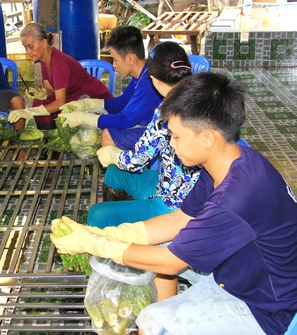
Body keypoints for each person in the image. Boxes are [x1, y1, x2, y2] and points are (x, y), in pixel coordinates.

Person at [51, 72, 297, 335]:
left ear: (208, 138)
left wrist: (94, 243)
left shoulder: (234, 197)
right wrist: (106, 233)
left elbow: (170, 262)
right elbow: (179, 219)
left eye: (176, 136)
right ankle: (170, 308)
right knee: (154, 248)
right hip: (240, 272)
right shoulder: (233, 161)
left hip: (267, 308)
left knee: (150, 321)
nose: (170, 143)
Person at [91, 41, 199, 229]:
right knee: (113, 173)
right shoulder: (201, 95)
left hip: (173, 205)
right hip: (168, 183)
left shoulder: (166, 112)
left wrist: (113, 154)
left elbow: (136, 161)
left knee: (97, 214)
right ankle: (127, 215)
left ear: (155, 80)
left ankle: (127, 236)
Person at [58, 25, 163, 150]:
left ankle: (125, 165)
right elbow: (121, 103)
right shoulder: (140, 75)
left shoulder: (149, 82)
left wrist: (83, 118)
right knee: (110, 126)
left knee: (108, 135)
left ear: (130, 58)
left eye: (115, 59)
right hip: (146, 123)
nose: (113, 65)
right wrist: (87, 103)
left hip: (161, 133)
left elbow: (126, 120)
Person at [7, 22, 113, 130]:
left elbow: (59, 102)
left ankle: (52, 130)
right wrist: (42, 93)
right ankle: (47, 132)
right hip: (73, 97)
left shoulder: (58, 63)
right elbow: (50, 90)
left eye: (30, 47)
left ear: (43, 42)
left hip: (93, 98)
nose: (28, 52)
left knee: (42, 108)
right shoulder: (44, 61)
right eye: (25, 48)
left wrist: (27, 112)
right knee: (39, 102)